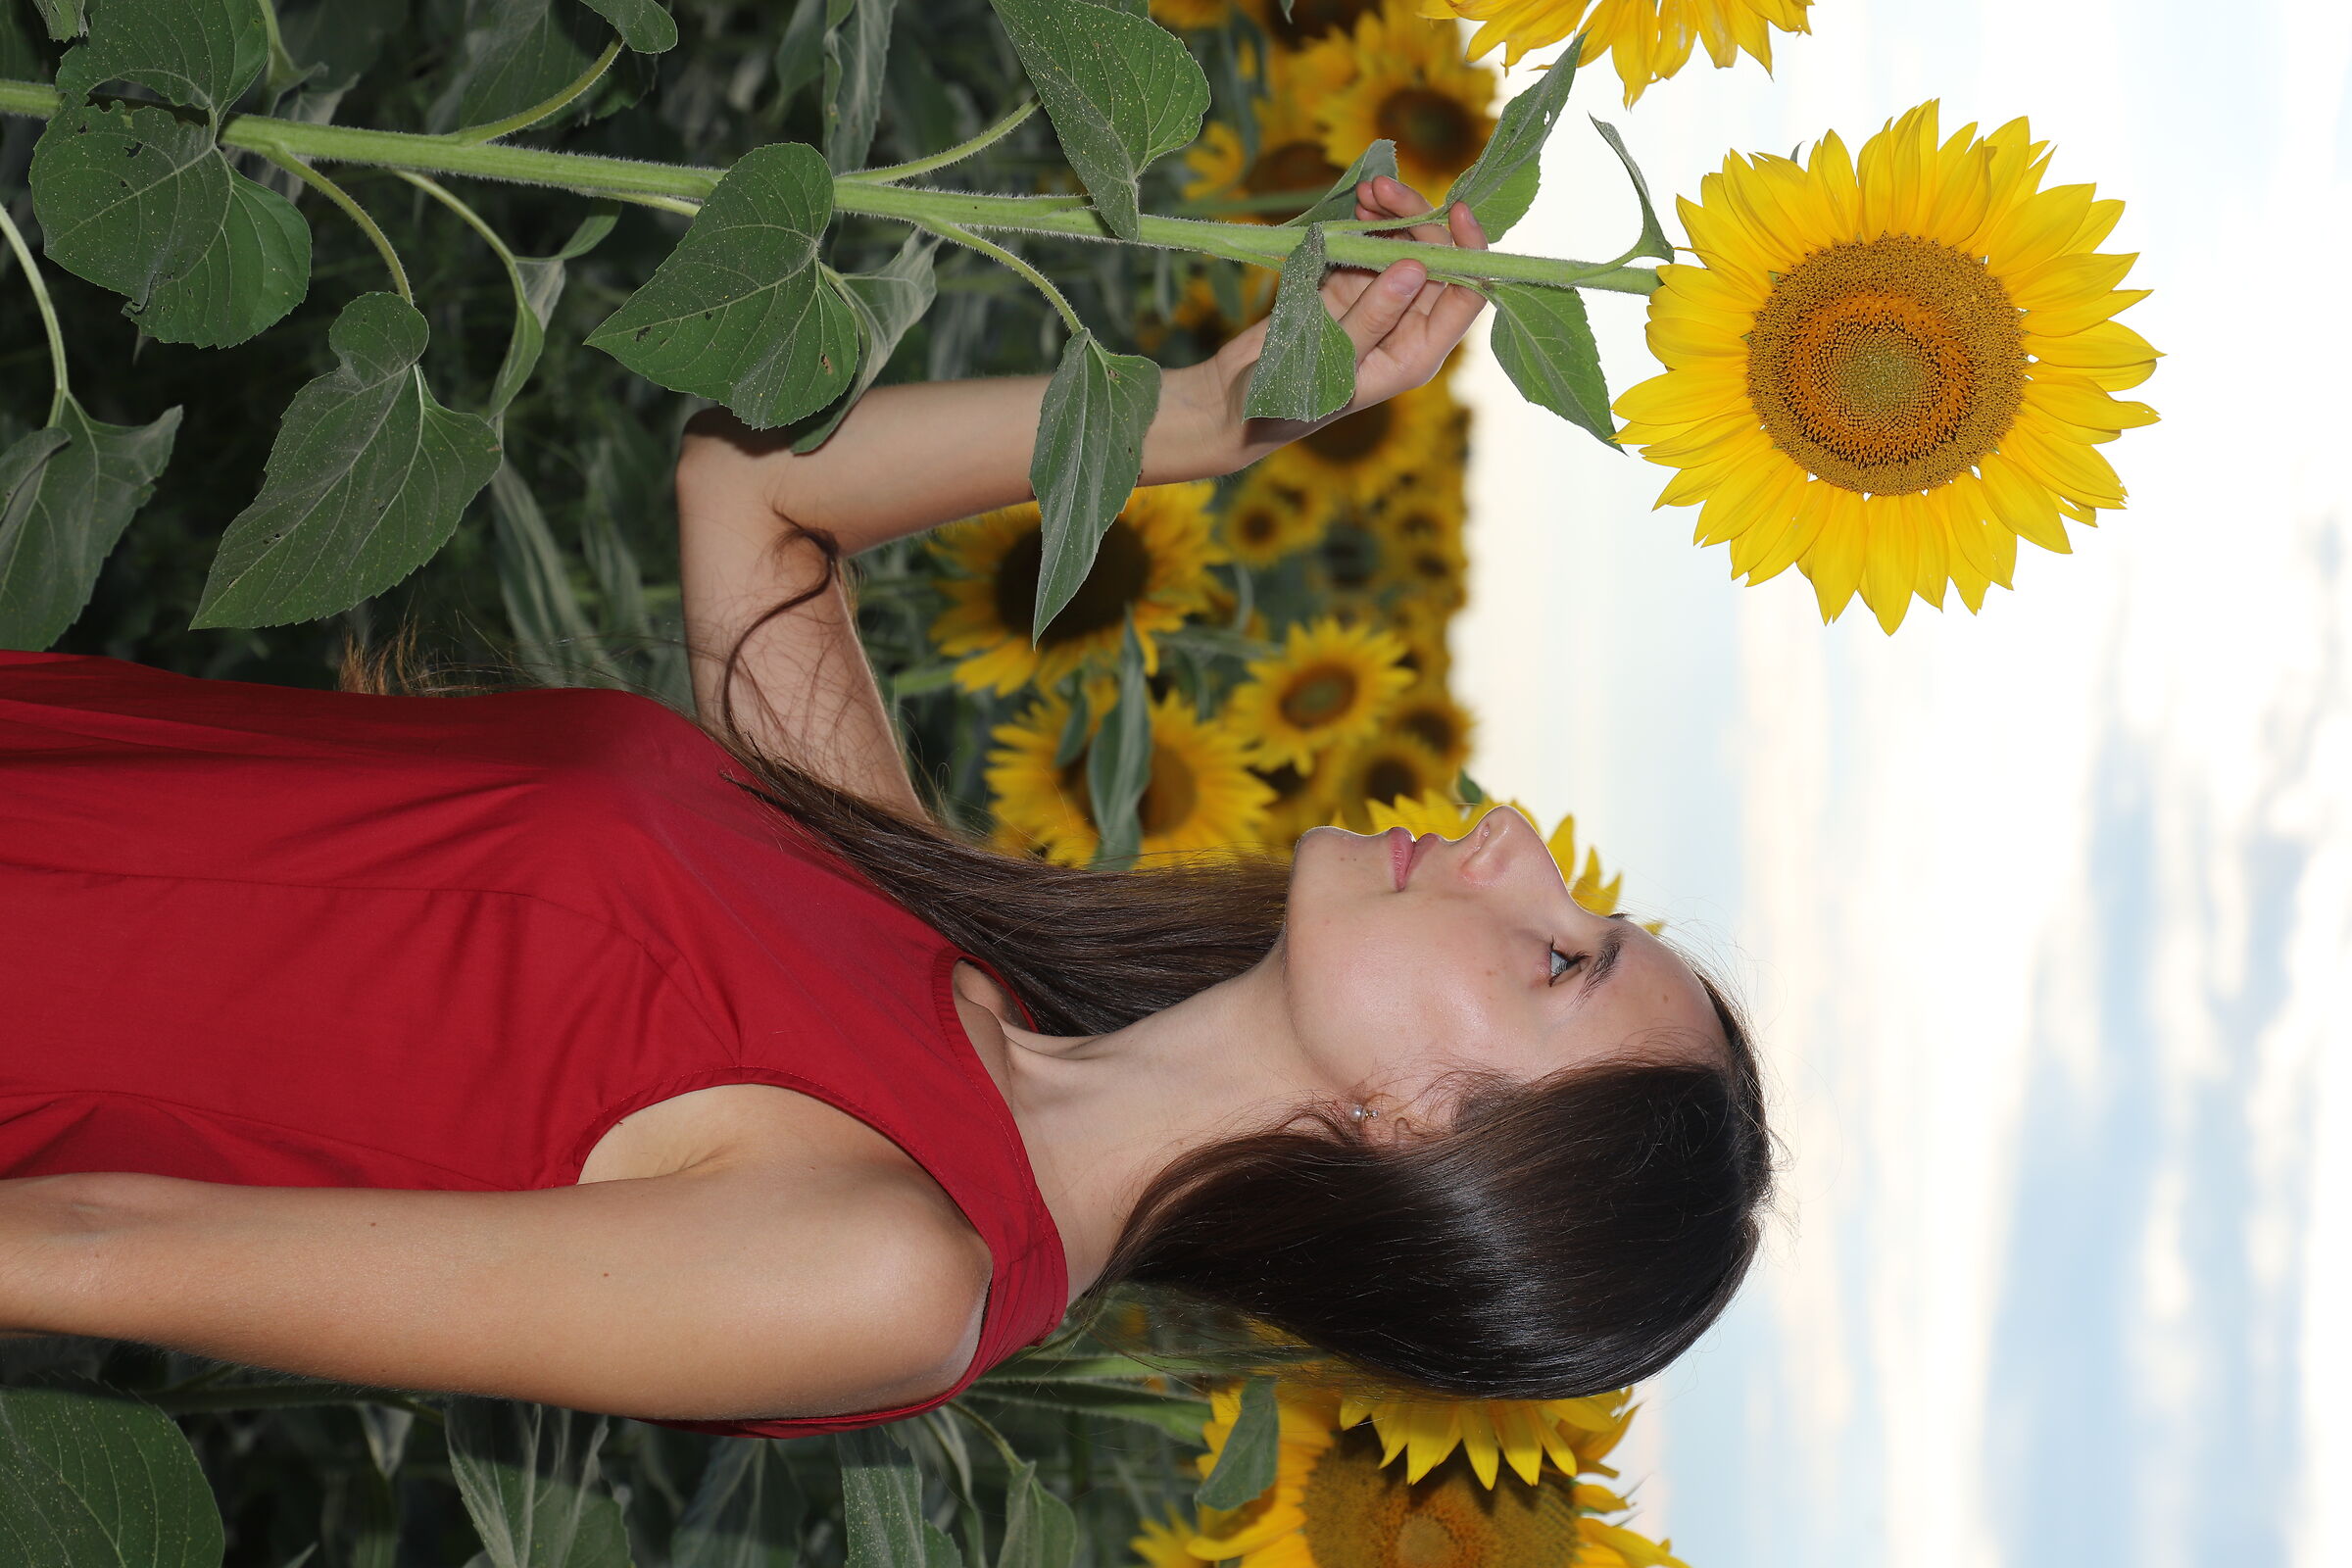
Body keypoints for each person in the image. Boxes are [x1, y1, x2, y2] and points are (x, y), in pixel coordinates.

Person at [0, 178, 1770, 1437]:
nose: (1517, 844)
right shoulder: (941, 940)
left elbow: (108, 1246)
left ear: (1419, 1131)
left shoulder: (900, 1273)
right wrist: (1206, 414)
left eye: (1560, 961)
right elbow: (759, 495)